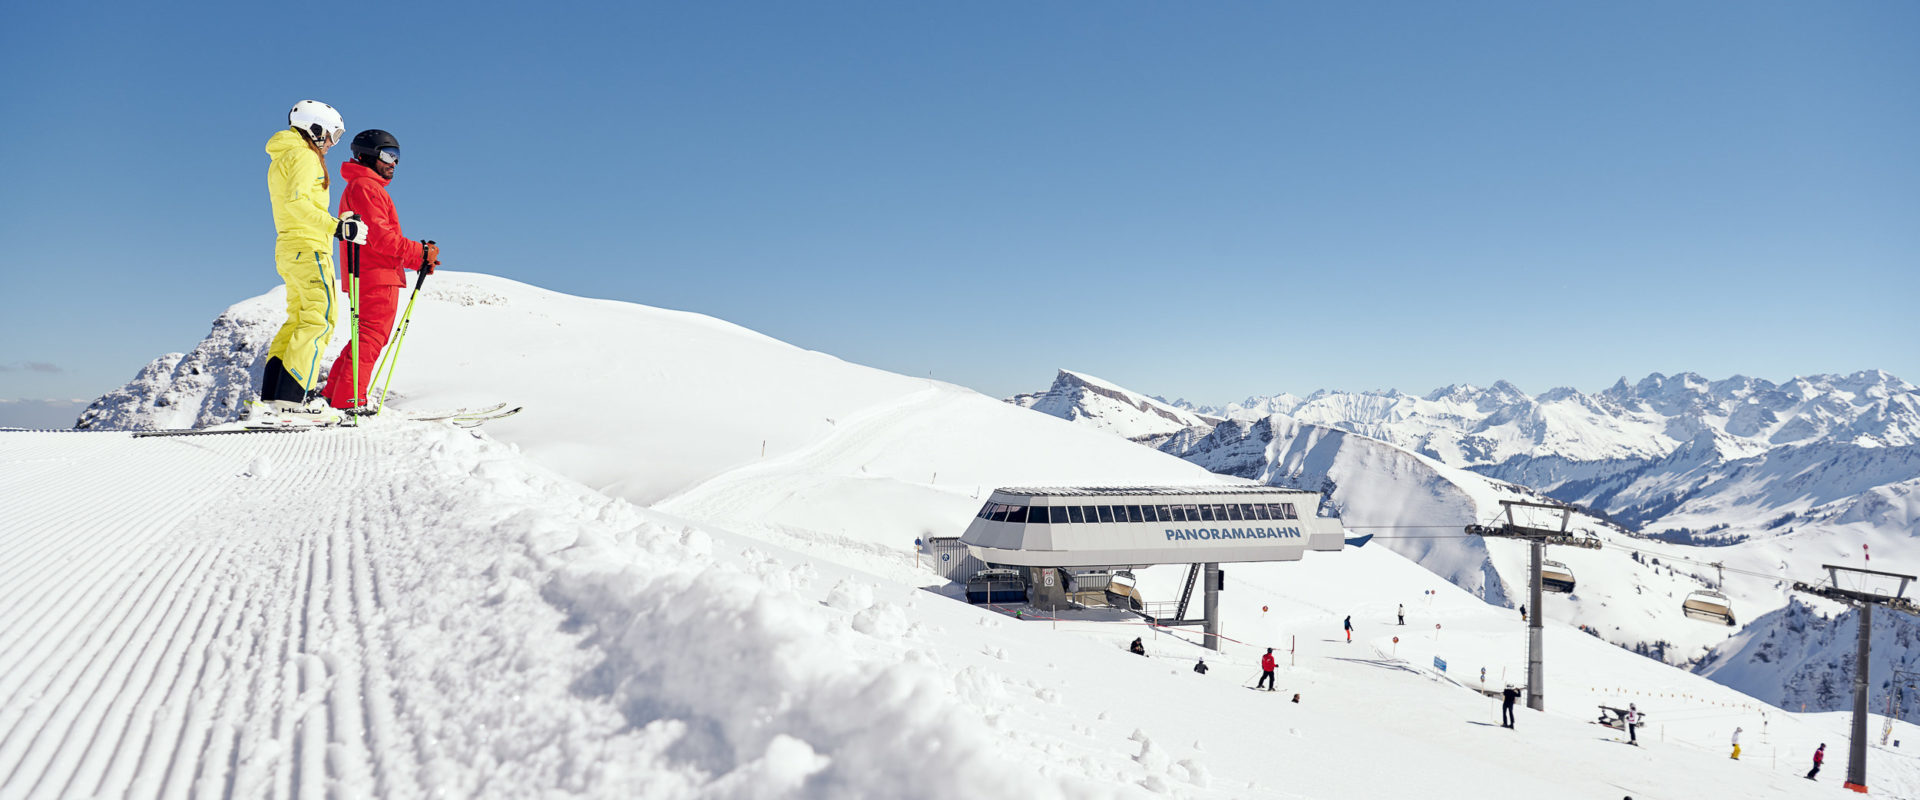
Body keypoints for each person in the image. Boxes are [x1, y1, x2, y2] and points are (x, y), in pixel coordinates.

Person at [319, 129, 438, 410]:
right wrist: (420, 252)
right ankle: (349, 402)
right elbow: (381, 238)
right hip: (375, 276)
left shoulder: (364, 187)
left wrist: (418, 259)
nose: (393, 163)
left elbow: (378, 239)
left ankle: (332, 396)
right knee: (371, 339)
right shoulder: (365, 187)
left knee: (363, 339)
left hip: (370, 273)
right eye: (388, 155)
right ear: (368, 155)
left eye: (397, 157)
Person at [262, 100, 365, 417]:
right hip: (308, 247)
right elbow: (298, 203)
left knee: (298, 320)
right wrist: (339, 228)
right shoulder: (305, 156)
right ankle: (294, 401)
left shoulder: (286, 155)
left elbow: (295, 203)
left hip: (290, 247)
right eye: (332, 135)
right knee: (319, 320)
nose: (332, 143)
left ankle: (275, 399)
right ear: (314, 128)